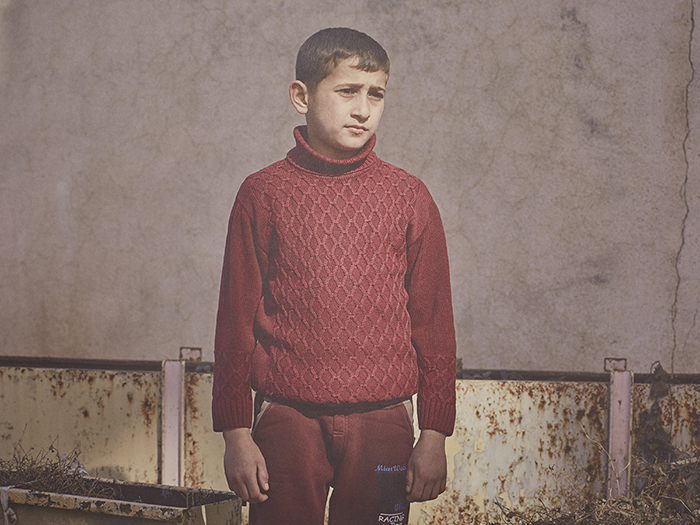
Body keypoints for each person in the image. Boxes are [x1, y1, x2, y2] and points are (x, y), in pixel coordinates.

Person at [212, 27, 456, 525]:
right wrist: (236, 433)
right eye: (347, 91)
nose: (363, 109)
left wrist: (434, 433)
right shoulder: (263, 194)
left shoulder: (409, 196)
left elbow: (434, 325)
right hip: (286, 420)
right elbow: (234, 323)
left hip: (385, 424)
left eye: (376, 94)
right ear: (301, 96)